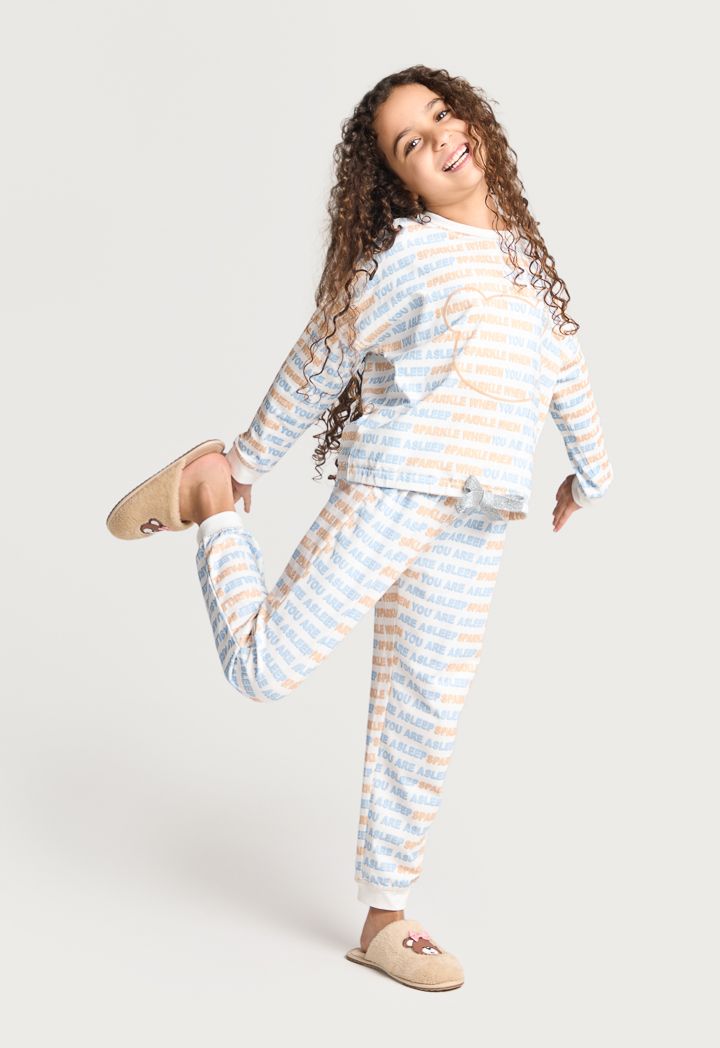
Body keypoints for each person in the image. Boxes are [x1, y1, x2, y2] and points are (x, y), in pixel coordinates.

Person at [106, 65, 614, 991]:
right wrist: (246, 464)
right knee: (263, 668)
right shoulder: (405, 257)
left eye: (441, 115)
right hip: (394, 490)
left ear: (475, 121)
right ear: (400, 182)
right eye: (410, 143)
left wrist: (593, 472)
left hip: (479, 517)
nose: (439, 138)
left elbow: (564, 372)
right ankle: (208, 494)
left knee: (427, 709)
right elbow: (320, 360)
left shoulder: (531, 269)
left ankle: (386, 917)